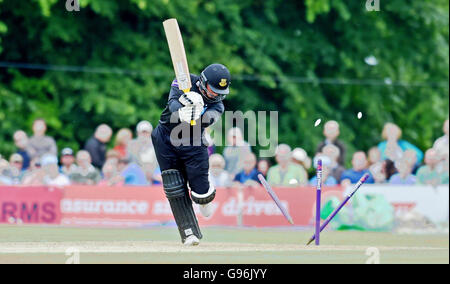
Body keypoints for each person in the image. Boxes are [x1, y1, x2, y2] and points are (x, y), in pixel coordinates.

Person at [151, 63, 231, 245]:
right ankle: (189, 233)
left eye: (220, 93)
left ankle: (203, 198)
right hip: (165, 138)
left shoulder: (217, 106)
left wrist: (196, 111)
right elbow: (171, 104)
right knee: (173, 184)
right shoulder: (184, 81)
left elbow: (207, 120)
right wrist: (182, 106)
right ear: (203, 82)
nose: (216, 96)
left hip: (193, 142)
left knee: (201, 192)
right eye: (213, 91)